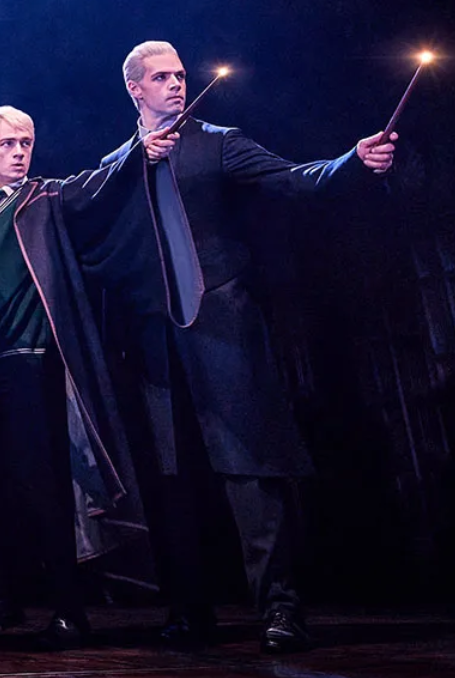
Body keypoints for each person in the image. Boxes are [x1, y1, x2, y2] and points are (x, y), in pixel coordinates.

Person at [103, 41, 397, 653]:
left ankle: (280, 609)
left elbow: (294, 179)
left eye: (180, 75)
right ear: (134, 88)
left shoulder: (218, 142)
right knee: (174, 476)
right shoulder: (117, 164)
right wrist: (135, 160)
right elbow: (94, 231)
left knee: (250, 470)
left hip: (221, 327)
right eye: (161, 77)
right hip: (155, 340)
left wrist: (352, 160)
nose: (176, 84)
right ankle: (189, 611)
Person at [0, 106, 148, 650]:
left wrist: (140, 147)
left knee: (41, 485)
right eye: (7, 144)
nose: (19, 152)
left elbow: (98, 183)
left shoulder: (45, 196)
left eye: (26, 142)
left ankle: (68, 608)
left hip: (30, 361)